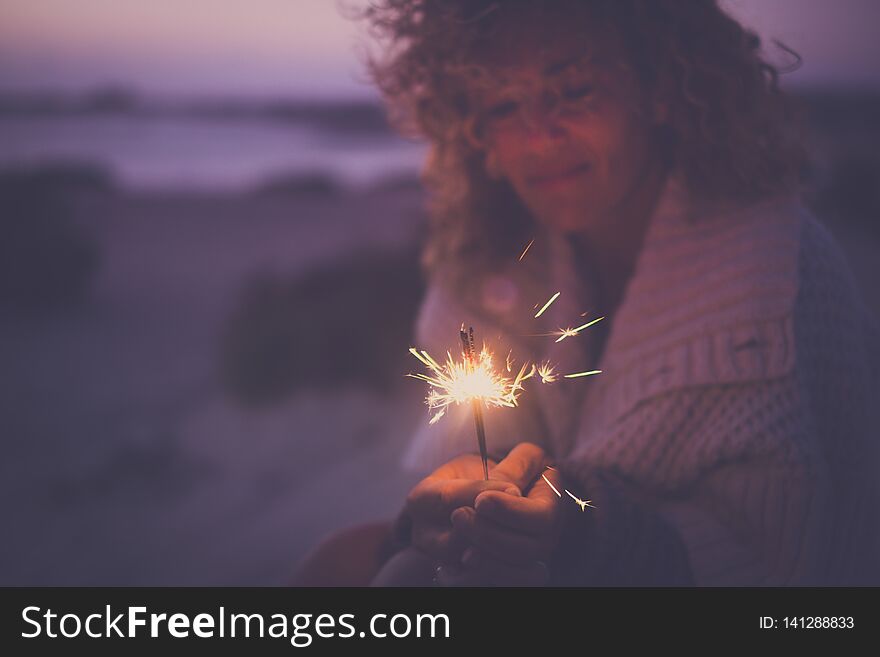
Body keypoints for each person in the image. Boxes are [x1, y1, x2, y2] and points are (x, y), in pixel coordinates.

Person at [293, 0, 880, 586]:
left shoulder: (771, 273)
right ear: (476, 133)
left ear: (660, 85)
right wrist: (438, 523)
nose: (538, 132)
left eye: (573, 89)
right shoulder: (487, 271)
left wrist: (577, 525)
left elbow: (776, 561)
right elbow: (447, 507)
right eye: (503, 104)